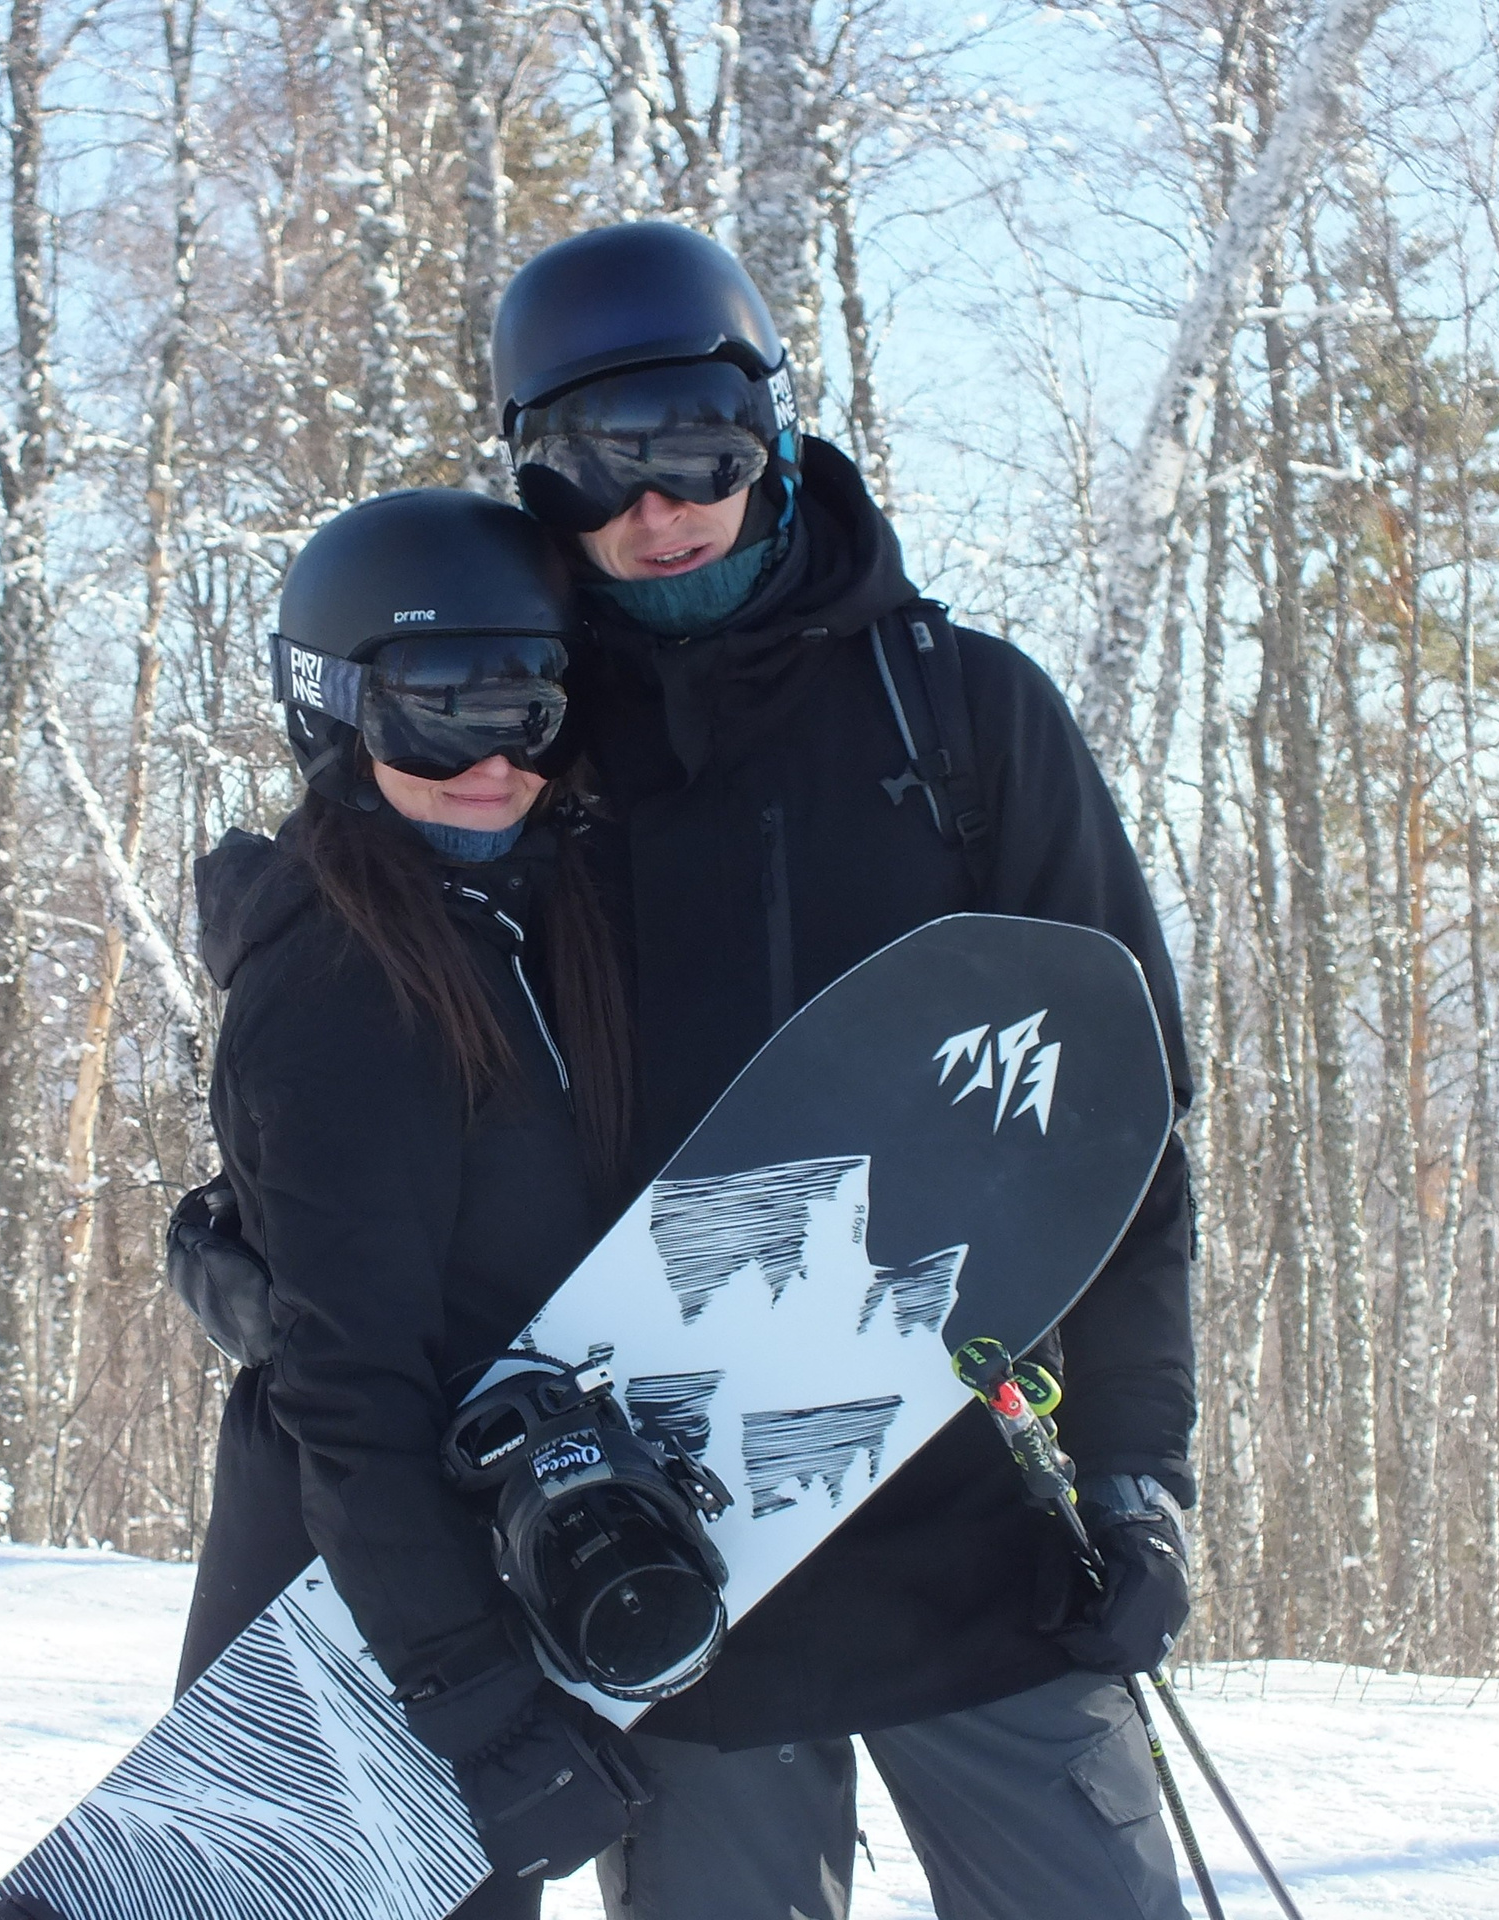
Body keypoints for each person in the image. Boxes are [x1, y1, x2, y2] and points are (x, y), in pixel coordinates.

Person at [490, 221, 1200, 1920]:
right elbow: (393, 1051)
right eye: (588, 467)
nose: (654, 508)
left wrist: (1136, 1470)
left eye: (694, 443)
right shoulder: (515, 759)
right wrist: (261, 1226)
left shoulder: (960, 720)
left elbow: (1125, 1121)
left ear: (775, 429)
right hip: (674, 1554)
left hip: (973, 1516)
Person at [177, 487, 649, 1916]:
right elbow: (353, 1385)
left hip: (475, 1548)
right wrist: (477, 1706)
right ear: (332, 713)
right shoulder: (342, 980)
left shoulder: (523, 914)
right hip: (357, 1601)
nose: (495, 760)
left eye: (532, 707)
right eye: (439, 713)